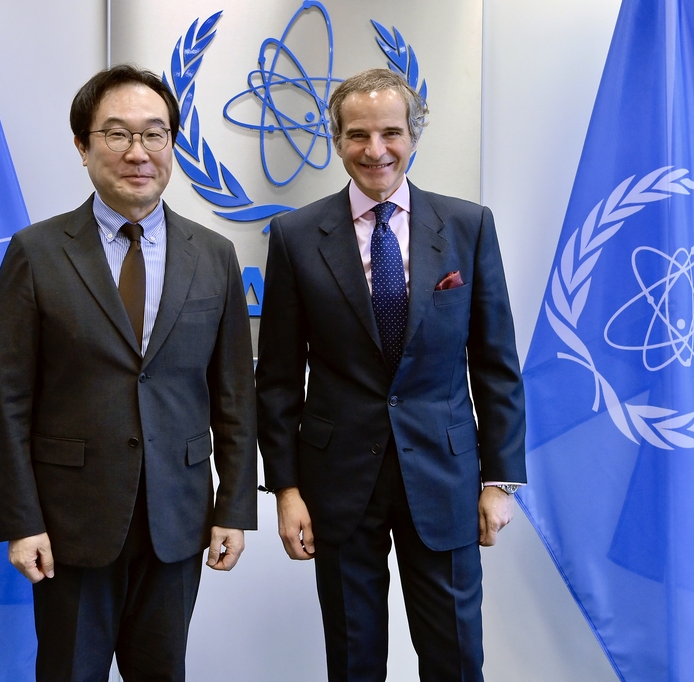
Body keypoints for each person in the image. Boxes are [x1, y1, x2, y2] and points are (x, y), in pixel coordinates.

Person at [0, 64, 257, 682]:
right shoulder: (36, 252)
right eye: (117, 134)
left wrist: (234, 508)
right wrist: (21, 521)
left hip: (179, 518)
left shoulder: (213, 255)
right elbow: (8, 400)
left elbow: (235, 396)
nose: (138, 152)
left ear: (172, 146)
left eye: (154, 135)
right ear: (83, 147)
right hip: (69, 523)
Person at [255, 69, 526, 681]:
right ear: (336, 139)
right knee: (353, 661)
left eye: (390, 132)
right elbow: (275, 378)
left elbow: (496, 365)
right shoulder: (296, 236)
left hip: (447, 475)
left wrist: (499, 481)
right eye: (357, 135)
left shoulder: (468, 226)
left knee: (456, 659)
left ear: (414, 135)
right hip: (337, 481)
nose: (375, 150)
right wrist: (287, 489)